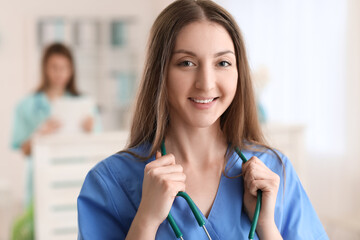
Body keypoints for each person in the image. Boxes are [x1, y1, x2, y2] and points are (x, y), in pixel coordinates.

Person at [77, 0, 328, 239]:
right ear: (160, 73)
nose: (206, 83)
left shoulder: (273, 170)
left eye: (223, 63)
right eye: (186, 63)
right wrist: (147, 220)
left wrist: (266, 226)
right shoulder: (109, 182)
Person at [10, 43, 101, 240]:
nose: (60, 73)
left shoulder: (84, 104)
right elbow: (24, 150)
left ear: (72, 70)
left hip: (75, 173)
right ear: (44, 68)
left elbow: (98, 144)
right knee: (43, 227)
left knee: (72, 226)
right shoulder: (27, 105)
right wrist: (40, 134)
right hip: (43, 176)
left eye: (65, 68)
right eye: (54, 67)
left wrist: (89, 130)